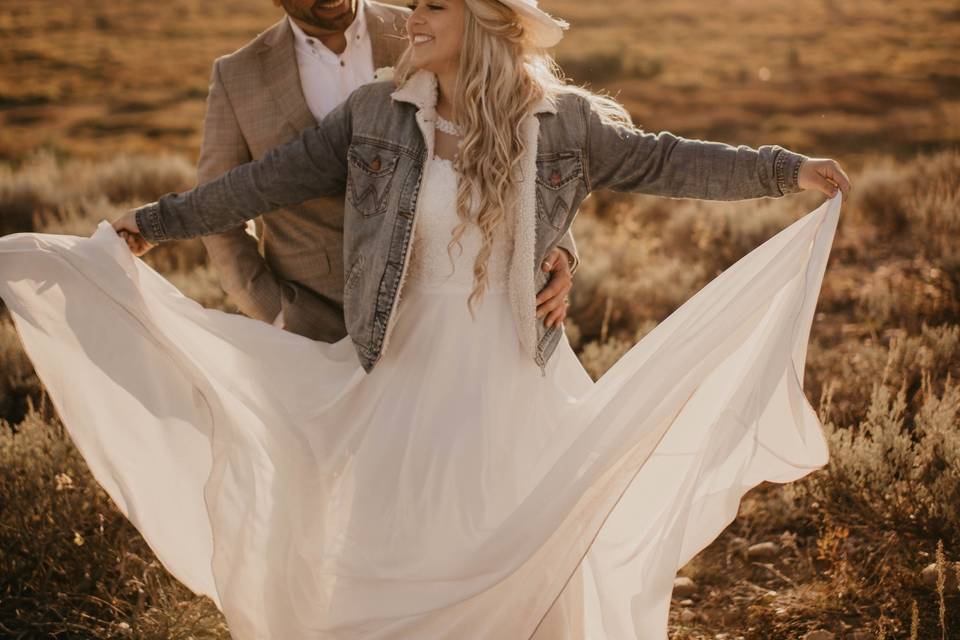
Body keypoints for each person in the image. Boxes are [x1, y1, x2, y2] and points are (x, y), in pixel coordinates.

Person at [0, 0, 852, 637]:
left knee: (514, 544)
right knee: (396, 551)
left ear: (483, 24)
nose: (415, 13)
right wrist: (155, 223)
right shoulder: (378, 110)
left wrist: (789, 170)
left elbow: (669, 159)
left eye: (435, 4)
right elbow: (262, 183)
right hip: (403, 367)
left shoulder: (565, 122)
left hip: (514, 370)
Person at [196, 0, 577, 344]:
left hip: (448, 312)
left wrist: (556, 247)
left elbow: (512, 127)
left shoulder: (424, 26)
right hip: (313, 326)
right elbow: (217, 212)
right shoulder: (238, 76)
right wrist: (276, 314)